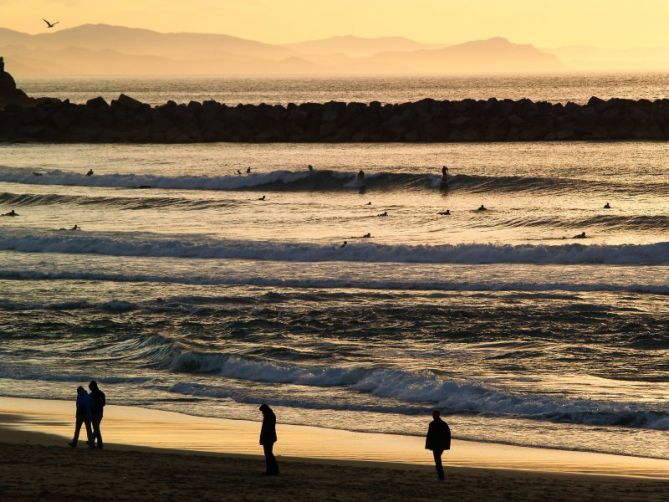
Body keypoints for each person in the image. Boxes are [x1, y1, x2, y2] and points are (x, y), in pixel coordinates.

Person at [425, 409, 451, 481]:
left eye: (434, 414)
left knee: (438, 461)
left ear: (437, 415)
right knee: (438, 460)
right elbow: (429, 436)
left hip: (438, 445)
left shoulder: (440, 424)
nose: (433, 416)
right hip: (437, 445)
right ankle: (440, 476)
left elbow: (447, 435)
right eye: (433, 414)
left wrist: (445, 446)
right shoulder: (435, 423)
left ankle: (441, 477)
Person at [259, 404, 279, 475]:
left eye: (262, 412)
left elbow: (267, 429)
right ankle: (273, 470)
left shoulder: (269, 416)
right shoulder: (270, 415)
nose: (262, 413)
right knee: (269, 454)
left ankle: (270, 470)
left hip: (268, 438)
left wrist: (263, 438)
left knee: (268, 454)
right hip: (270, 437)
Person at [89, 380, 106, 449]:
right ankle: (96, 442)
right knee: (96, 428)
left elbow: (103, 404)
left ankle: (94, 441)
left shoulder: (92, 395)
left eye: (91, 387)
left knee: (96, 428)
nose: (90, 389)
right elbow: (104, 404)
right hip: (98, 413)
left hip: (96, 413)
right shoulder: (101, 394)